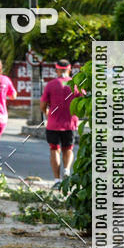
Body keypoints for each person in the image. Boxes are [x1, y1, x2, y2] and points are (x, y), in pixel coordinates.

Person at [40, 59, 81, 187]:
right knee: (68, 149)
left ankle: (57, 180)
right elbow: (82, 101)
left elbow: (43, 104)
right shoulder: (74, 84)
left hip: (53, 124)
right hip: (70, 123)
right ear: (69, 70)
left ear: (57, 70)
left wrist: (47, 112)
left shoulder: (51, 84)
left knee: (54, 150)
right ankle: (67, 171)